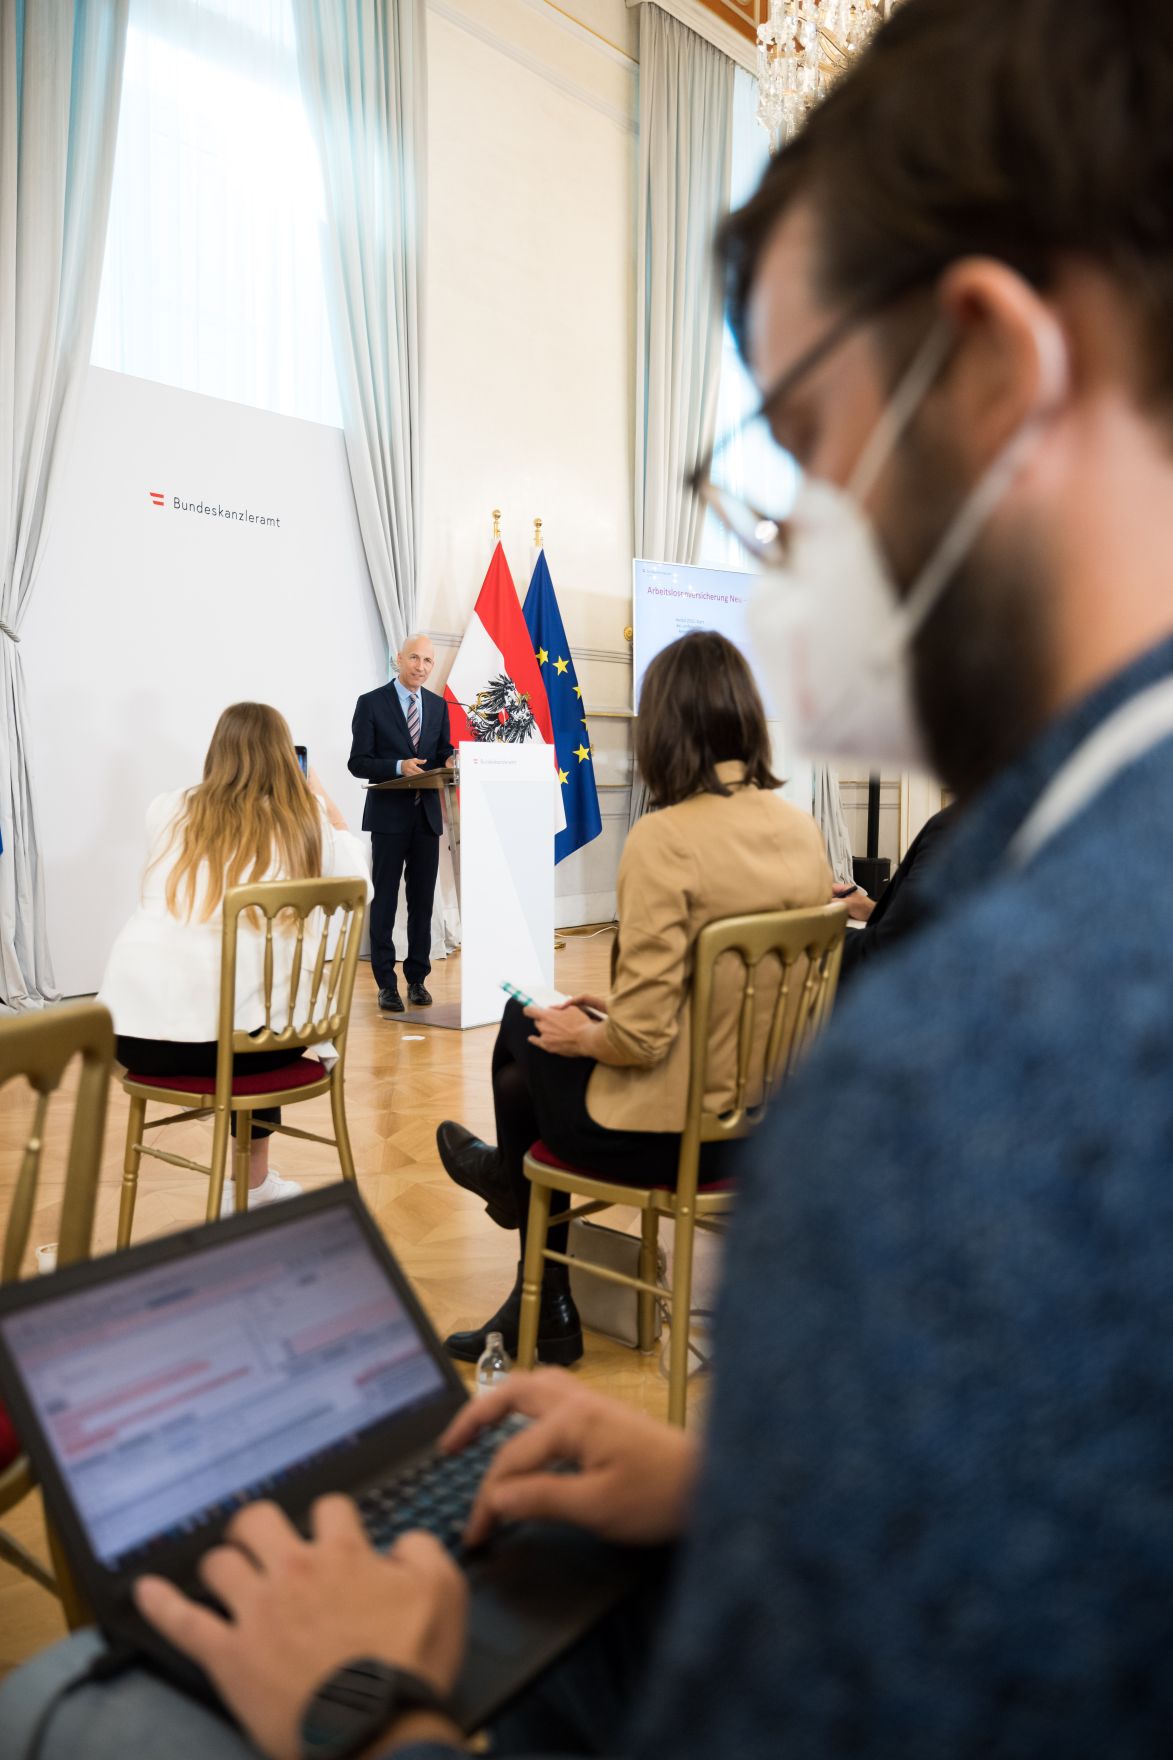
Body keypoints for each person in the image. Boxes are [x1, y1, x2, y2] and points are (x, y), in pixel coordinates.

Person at [11, 1, 1173, 1754]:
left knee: (76, 1705)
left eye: (804, 451)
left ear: (996, 371)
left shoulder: (982, 1070)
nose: (784, 546)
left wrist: (365, 1700)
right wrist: (735, 1481)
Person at [435, 629, 832, 1367]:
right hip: (762, 1124)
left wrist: (587, 1033)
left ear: (662, 726)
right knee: (533, 1056)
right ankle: (537, 1282)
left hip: (670, 1135)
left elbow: (641, 1043)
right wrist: (610, 1013)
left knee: (522, 1025)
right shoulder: (801, 831)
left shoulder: (665, 838)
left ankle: (524, 1241)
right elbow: (733, 992)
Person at [101, 703, 371, 1212]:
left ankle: (250, 1183)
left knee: (240, 1005)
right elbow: (360, 881)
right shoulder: (304, 819)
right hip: (249, 1047)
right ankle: (251, 1185)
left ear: (217, 752)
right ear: (285, 758)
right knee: (258, 1014)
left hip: (135, 1036)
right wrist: (319, 796)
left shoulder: (167, 808)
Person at [349, 634, 455, 1014]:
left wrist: (450, 761)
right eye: (414, 658)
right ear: (399, 658)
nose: (421, 667)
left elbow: (441, 752)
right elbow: (358, 762)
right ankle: (386, 983)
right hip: (388, 818)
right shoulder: (371, 703)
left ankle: (417, 978)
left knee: (422, 903)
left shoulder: (438, 706)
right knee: (385, 902)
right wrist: (397, 766)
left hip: (426, 818)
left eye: (427, 661)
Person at [832, 803, 957, 986]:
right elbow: (934, 918)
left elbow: (892, 946)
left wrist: (816, 935)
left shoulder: (956, 826)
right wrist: (873, 910)